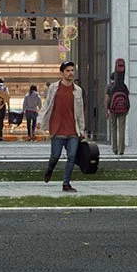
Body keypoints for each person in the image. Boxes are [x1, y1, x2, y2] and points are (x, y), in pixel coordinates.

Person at [43, 60, 87, 192]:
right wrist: (42, 120)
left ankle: (66, 183)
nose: (70, 73)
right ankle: (49, 169)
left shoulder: (78, 90)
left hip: (73, 130)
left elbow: (80, 112)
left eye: (72, 70)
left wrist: (82, 129)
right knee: (55, 156)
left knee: (72, 156)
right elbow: (47, 105)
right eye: (67, 71)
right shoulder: (54, 88)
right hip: (57, 129)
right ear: (61, 73)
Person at [106, 59, 131, 156]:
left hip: (113, 109)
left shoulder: (110, 87)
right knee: (122, 129)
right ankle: (121, 149)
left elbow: (106, 100)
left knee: (113, 128)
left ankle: (114, 148)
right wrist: (127, 108)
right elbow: (127, 97)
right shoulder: (124, 86)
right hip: (123, 109)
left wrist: (106, 110)